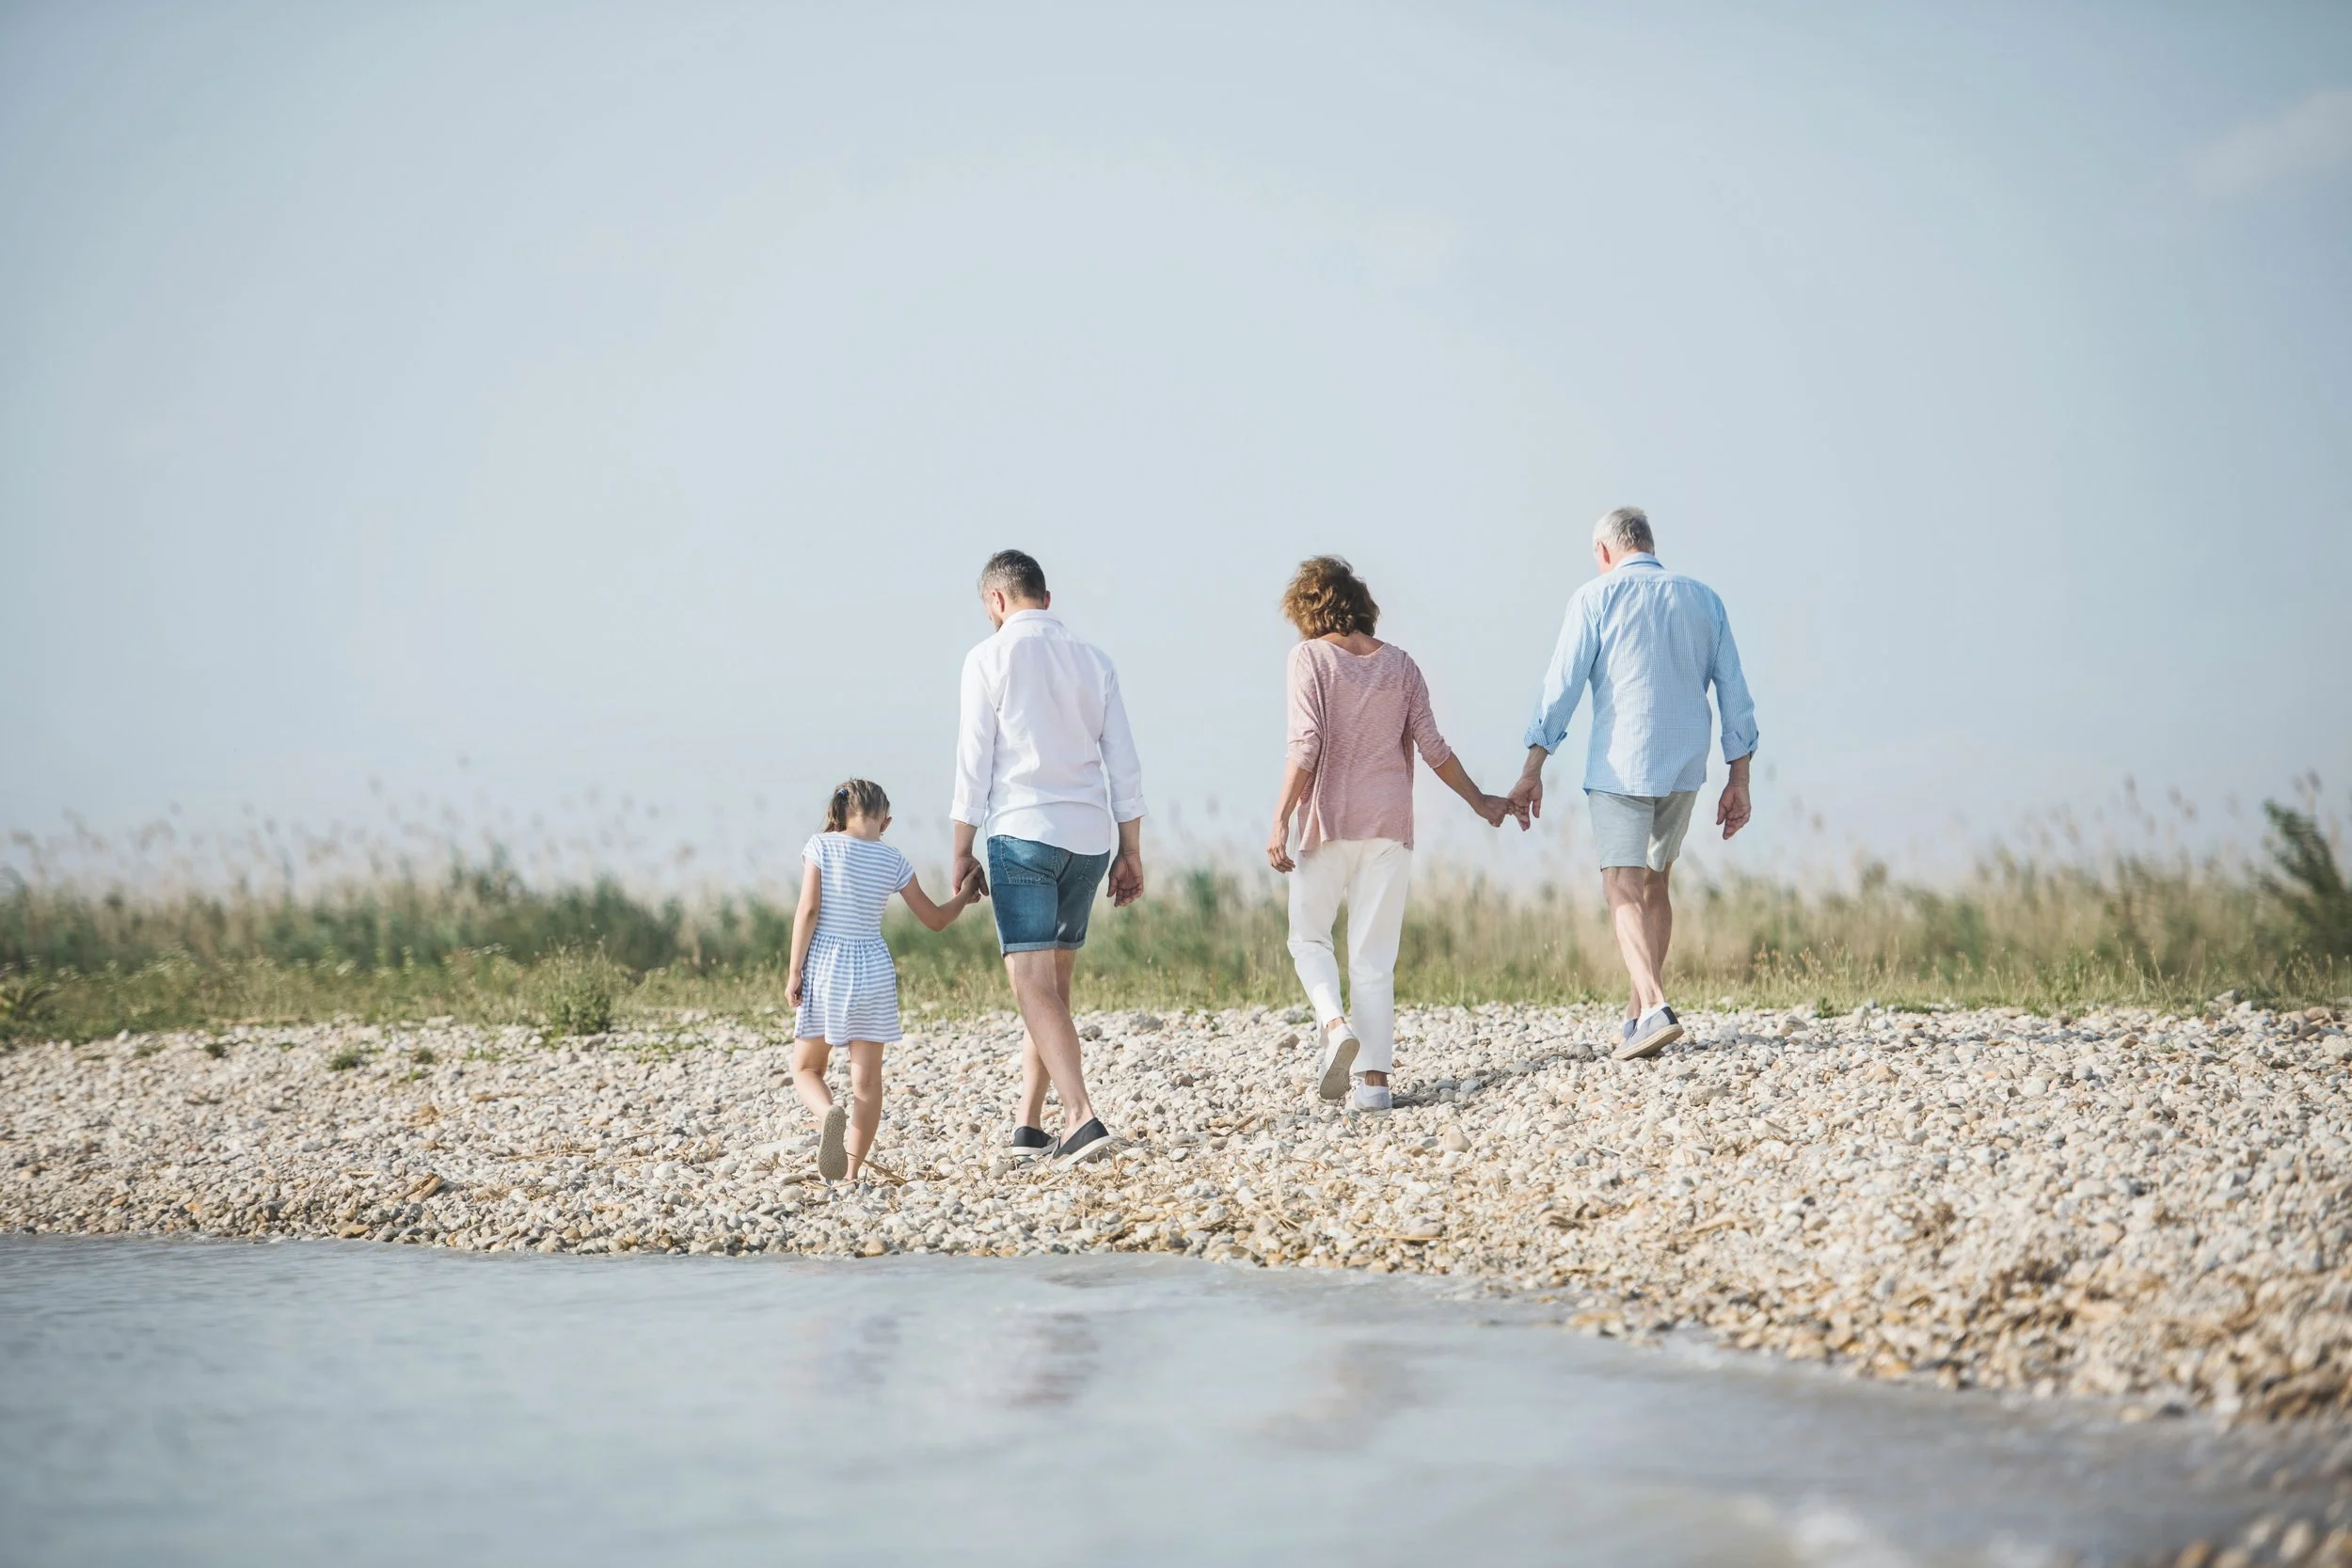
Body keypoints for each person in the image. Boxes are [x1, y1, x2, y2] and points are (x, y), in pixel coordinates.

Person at [1265, 557, 1514, 1112]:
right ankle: (1374, 1085)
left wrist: (1281, 815)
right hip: (1388, 828)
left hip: (1327, 823)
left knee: (1308, 938)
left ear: (1307, 609)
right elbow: (1434, 747)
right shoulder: (1401, 665)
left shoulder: (1308, 658)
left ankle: (1334, 1027)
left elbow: (1305, 745)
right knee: (1374, 959)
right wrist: (1480, 802)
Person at [1510, 508, 1757, 1060]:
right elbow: (1734, 693)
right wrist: (1739, 777)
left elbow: (1561, 689)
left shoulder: (1594, 598)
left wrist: (1533, 768)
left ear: (1603, 552)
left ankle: (1655, 1005)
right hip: (1684, 764)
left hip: (1621, 766)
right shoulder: (1704, 599)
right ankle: (1635, 1018)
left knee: (1620, 884)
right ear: (1649, 543)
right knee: (1655, 885)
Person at [950, 549, 1145, 1165]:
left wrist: (961, 845)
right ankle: (1030, 1124)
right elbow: (1125, 762)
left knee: (1030, 982)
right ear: (1047, 597)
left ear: (996, 602)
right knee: (1053, 986)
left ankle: (1080, 1116)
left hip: (1024, 835)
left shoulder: (988, 656)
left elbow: (972, 760)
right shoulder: (1095, 660)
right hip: (1089, 840)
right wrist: (1131, 848)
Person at [786, 779, 981, 1181]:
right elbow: (936, 920)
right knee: (869, 1082)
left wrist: (794, 971)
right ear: (886, 822)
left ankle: (827, 1116)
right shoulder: (893, 860)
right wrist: (966, 893)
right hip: (873, 967)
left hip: (828, 965)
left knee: (806, 1069)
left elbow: (807, 911)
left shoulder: (821, 846)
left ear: (840, 813)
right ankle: (852, 1172)